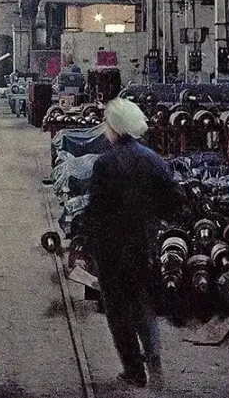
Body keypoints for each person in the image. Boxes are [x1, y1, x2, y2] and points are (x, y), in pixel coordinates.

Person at [79, 97, 182, 390]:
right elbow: (173, 205)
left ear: (113, 128)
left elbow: (96, 211)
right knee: (143, 304)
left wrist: (87, 245)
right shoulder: (153, 160)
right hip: (144, 245)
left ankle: (134, 371)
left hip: (112, 249)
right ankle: (154, 358)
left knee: (118, 312)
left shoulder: (104, 163)